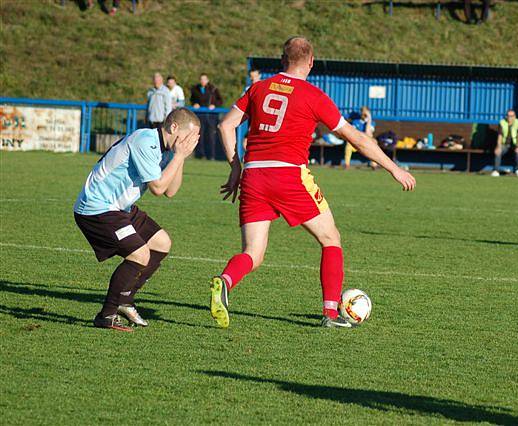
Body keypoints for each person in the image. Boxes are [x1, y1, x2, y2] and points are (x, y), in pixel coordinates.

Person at [211, 36, 416, 329]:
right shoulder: (313, 95)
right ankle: (331, 314)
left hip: (254, 176)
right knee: (330, 239)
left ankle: (225, 280)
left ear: (282, 60)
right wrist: (393, 168)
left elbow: (226, 124)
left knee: (253, 254)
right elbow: (355, 137)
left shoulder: (257, 88)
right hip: (289, 175)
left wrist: (235, 168)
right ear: (311, 61)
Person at [73, 108, 200, 331]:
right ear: (173, 128)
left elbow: (171, 191)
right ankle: (107, 314)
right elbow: (159, 188)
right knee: (140, 254)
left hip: (120, 208)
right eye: (188, 137)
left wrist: (181, 158)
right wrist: (179, 156)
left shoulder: (167, 148)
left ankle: (125, 299)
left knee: (161, 242)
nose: (190, 143)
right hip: (97, 208)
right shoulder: (145, 140)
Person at [190, 73, 224, 160]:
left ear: (207, 80)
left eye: (204, 79)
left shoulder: (213, 89)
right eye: (201, 79)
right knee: (200, 136)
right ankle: (201, 155)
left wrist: (214, 105)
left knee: (211, 136)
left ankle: (212, 155)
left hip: (211, 117)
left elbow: (220, 101)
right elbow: (192, 100)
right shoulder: (195, 89)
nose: (203, 81)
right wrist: (194, 104)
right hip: (200, 116)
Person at [492, 109, 518, 178]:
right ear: (506, 116)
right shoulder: (502, 122)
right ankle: (496, 171)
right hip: (505, 145)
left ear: (515, 116)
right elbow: (500, 136)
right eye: (508, 116)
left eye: (512, 116)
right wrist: (498, 146)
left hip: (515, 145)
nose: (510, 118)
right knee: (498, 151)